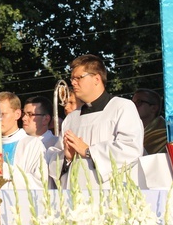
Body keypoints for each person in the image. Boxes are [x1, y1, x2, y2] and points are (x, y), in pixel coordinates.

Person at [48, 55, 144, 189]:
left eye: (78, 78)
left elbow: (131, 149)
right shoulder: (71, 118)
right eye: (72, 79)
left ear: (97, 79)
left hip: (109, 193)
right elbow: (55, 157)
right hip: (74, 194)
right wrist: (67, 158)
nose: (73, 83)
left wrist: (88, 151)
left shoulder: (121, 107)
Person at [0, 92, 47, 189]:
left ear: (17, 114)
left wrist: (3, 169)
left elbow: (40, 184)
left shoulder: (32, 144)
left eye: (2, 114)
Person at [131, 89, 167, 155]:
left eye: (139, 102)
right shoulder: (130, 130)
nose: (133, 106)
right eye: (132, 103)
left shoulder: (164, 134)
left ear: (154, 108)